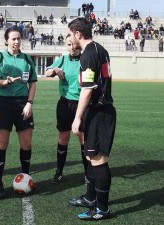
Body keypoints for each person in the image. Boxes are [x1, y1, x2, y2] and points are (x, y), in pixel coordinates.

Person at [67, 17, 116, 220]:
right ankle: (91, 198)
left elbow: (87, 89)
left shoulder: (88, 54)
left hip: (99, 111)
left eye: (70, 34)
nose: (69, 38)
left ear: (78, 34)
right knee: (90, 156)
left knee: (98, 159)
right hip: (96, 111)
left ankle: (102, 209)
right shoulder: (99, 49)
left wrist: (77, 118)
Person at [0, 27, 37, 198]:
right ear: (6, 41)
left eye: (19, 39)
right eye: (13, 39)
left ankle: (25, 177)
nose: (17, 42)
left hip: (22, 104)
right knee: (2, 144)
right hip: (3, 104)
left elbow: (32, 83)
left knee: (26, 144)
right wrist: (7, 81)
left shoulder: (26, 59)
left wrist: (29, 103)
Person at [45, 34, 88, 185]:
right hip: (64, 104)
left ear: (79, 45)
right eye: (68, 45)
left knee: (83, 139)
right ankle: (59, 172)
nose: (71, 48)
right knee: (63, 138)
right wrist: (55, 70)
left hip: (81, 104)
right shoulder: (62, 59)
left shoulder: (85, 60)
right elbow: (47, 72)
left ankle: (88, 174)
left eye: (74, 45)